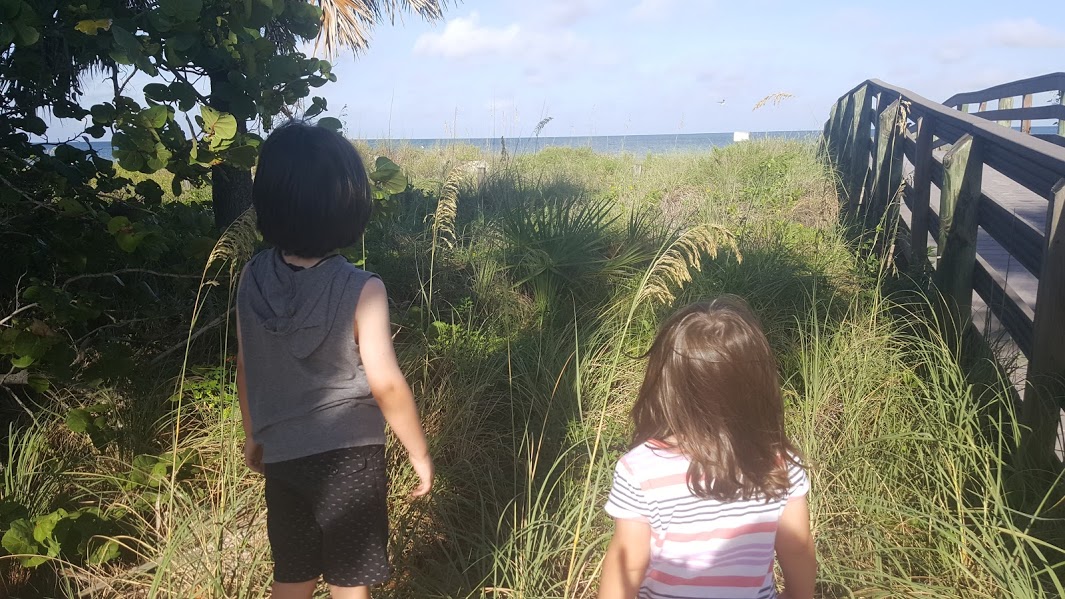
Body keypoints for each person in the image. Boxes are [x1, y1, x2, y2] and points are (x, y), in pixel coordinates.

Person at [235, 121, 433, 599]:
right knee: (350, 582)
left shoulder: (253, 277)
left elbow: (245, 367)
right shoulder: (361, 288)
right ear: (349, 205)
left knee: (293, 575)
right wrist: (418, 451)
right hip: (350, 459)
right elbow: (385, 383)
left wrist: (254, 434)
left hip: (282, 454)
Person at [598, 296, 815, 599]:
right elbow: (798, 552)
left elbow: (628, 566)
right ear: (758, 383)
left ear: (665, 383)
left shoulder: (640, 469)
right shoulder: (779, 463)